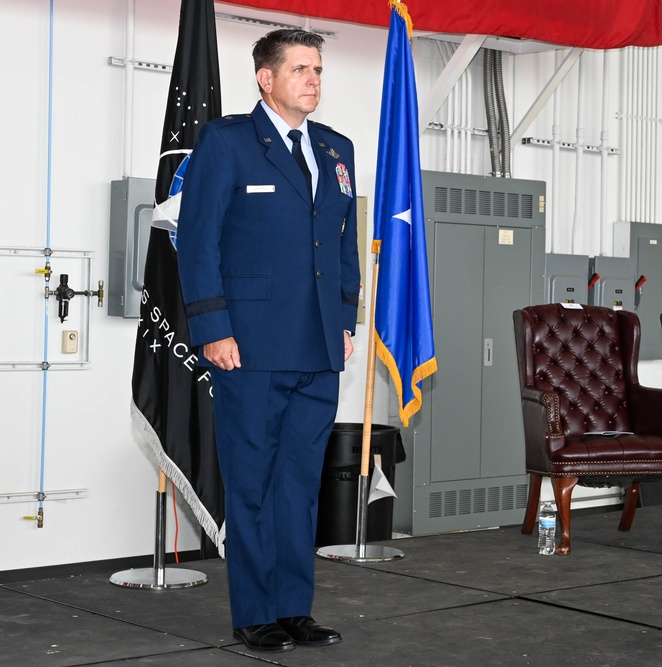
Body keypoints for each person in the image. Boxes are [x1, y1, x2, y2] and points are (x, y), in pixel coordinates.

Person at [177, 29, 360, 652]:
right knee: (252, 483)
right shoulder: (227, 144)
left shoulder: (337, 149)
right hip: (247, 347)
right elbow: (197, 242)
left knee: (299, 485)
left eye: (317, 69)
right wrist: (212, 328)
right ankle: (254, 612)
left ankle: (292, 609)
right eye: (300, 69)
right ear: (266, 79)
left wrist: (343, 322)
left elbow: (342, 246)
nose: (313, 79)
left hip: (317, 348)